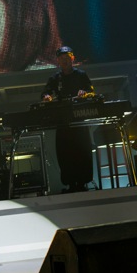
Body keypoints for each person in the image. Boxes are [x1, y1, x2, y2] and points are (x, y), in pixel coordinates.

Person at [41, 46, 95, 192]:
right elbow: (45, 93)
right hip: (62, 120)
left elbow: (91, 91)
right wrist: (47, 97)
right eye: (61, 59)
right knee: (65, 152)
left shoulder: (81, 75)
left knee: (82, 150)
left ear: (72, 59)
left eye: (67, 58)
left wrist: (85, 93)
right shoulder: (55, 78)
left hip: (79, 118)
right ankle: (70, 183)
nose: (64, 61)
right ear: (58, 61)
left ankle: (82, 182)